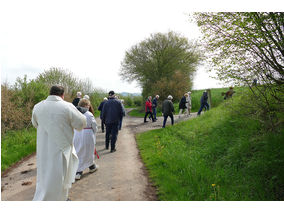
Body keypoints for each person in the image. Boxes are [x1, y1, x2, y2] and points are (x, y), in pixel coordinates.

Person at [31, 85, 86, 201]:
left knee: (44, 176)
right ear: (62, 95)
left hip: (44, 147)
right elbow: (81, 124)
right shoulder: (67, 106)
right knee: (60, 176)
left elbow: (35, 124)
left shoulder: (37, 107)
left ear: (50, 93)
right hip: (62, 148)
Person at [73, 99, 98, 180]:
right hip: (87, 134)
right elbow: (94, 125)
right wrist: (94, 132)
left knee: (78, 150)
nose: (89, 107)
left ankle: (91, 166)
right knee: (88, 150)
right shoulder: (89, 114)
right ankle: (78, 171)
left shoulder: (75, 113)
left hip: (77, 133)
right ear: (85, 105)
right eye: (88, 105)